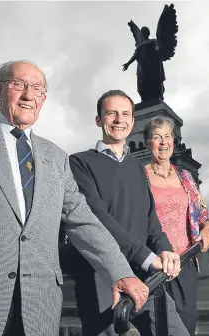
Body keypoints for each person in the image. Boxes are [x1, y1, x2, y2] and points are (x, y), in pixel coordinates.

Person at [0, 61, 150, 336]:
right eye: (18, 84)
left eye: (37, 89)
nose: (28, 95)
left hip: (37, 310)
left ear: (43, 99)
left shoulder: (56, 157)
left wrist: (121, 272)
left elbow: (83, 221)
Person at [68, 89, 190, 336]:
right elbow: (98, 219)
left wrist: (165, 248)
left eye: (125, 114)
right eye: (111, 113)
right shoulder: (79, 163)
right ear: (99, 119)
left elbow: (150, 217)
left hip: (145, 275)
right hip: (101, 276)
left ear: (133, 122)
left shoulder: (137, 166)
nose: (118, 120)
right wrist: (145, 255)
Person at [143, 116, 209, 336]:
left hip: (185, 261)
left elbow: (203, 212)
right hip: (156, 263)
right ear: (148, 143)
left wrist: (207, 228)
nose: (163, 142)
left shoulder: (184, 176)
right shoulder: (139, 175)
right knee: (160, 327)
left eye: (167, 137)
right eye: (157, 137)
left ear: (173, 142)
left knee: (186, 324)